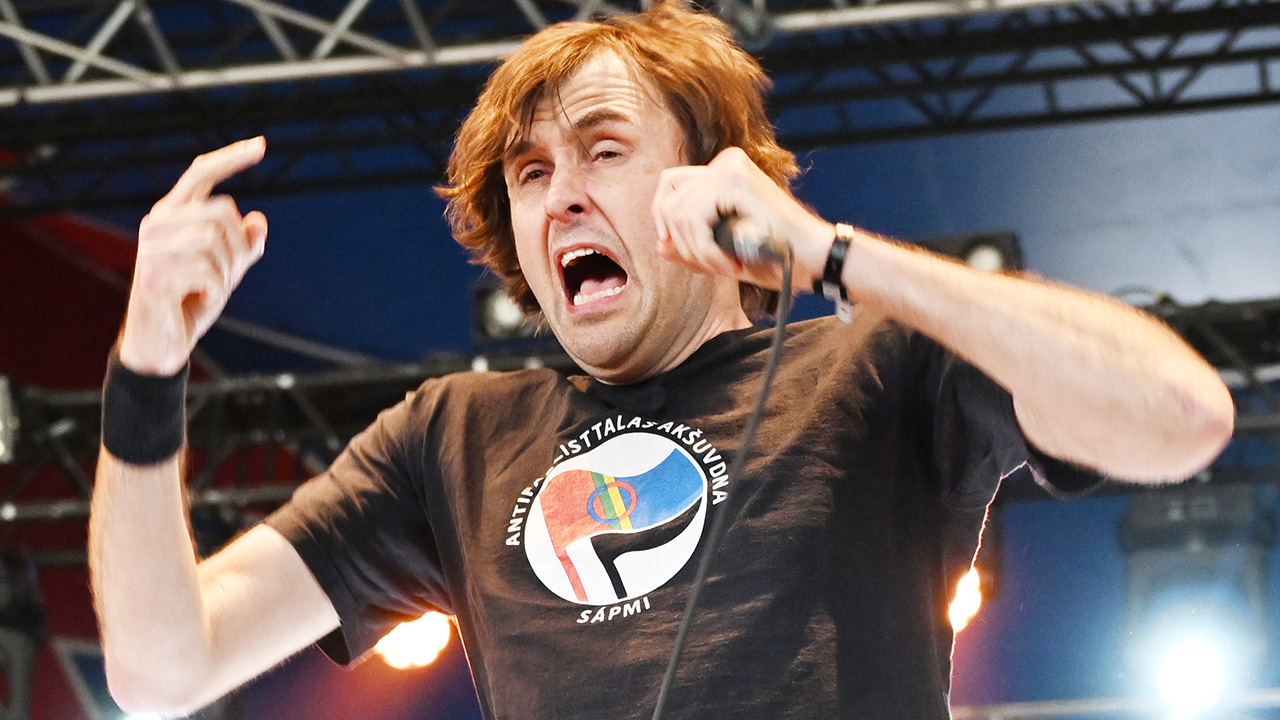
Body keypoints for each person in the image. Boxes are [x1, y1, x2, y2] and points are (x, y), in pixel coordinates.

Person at [88, 3, 1235, 719]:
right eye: (530, 173)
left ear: (711, 181)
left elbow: (1178, 416)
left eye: (602, 148)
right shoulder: (451, 437)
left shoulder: (878, 365)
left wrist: (830, 256)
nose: (560, 194)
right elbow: (159, 667)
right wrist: (145, 369)